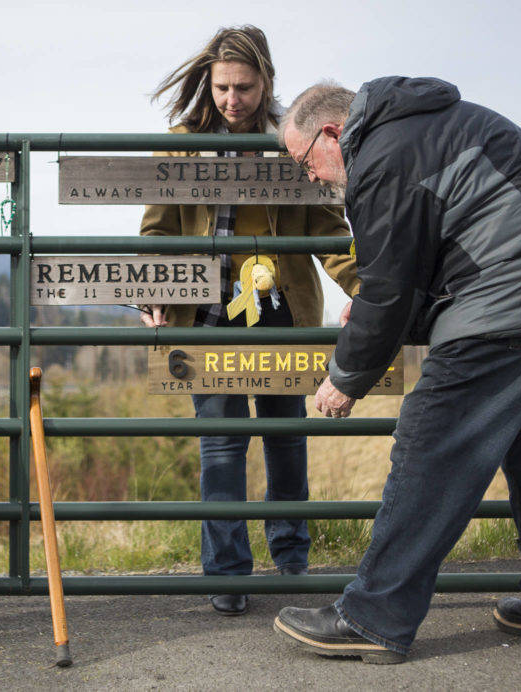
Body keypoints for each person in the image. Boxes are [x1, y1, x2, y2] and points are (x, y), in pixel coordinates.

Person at [275, 77, 521, 663]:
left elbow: (393, 292)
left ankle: (373, 615)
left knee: (430, 441)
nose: (310, 176)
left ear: (332, 132)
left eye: (304, 162)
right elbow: (429, 268)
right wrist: (380, 301)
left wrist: (345, 377)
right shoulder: (421, 127)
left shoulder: (381, 158)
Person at [139, 26, 359, 616]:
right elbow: (156, 232)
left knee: (285, 443)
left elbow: (328, 233)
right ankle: (228, 573)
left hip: (281, 318)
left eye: (243, 87)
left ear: (266, 82)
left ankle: (291, 561)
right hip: (205, 319)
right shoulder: (181, 143)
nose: (231, 99)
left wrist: (372, 289)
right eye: (221, 88)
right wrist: (150, 289)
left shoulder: (293, 140)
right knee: (221, 446)